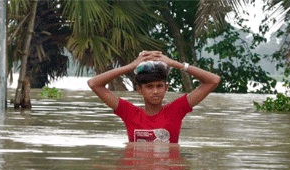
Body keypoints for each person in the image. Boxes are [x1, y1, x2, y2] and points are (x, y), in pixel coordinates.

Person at [88, 50, 221, 143]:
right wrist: (131, 66)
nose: (155, 91)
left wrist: (176, 64)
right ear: (139, 90)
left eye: (159, 86)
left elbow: (213, 80)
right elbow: (94, 83)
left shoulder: (176, 110)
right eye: (149, 87)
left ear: (166, 88)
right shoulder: (130, 113)